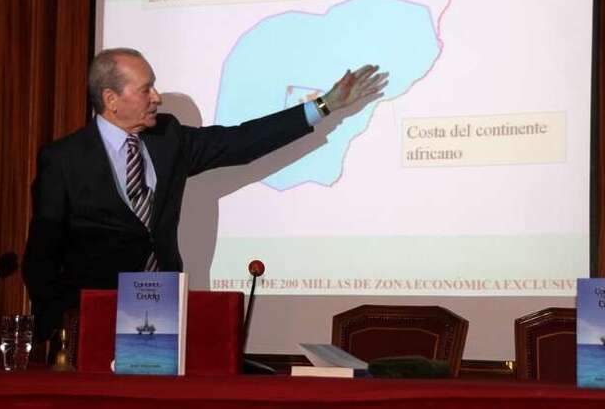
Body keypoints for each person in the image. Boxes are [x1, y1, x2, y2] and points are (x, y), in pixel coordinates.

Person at [22, 48, 387, 341]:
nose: (156, 97)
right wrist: (58, 332)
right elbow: (41, 257)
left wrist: (324, 105)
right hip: (91, 325)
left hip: (163, 316)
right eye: (146, 89)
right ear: (111, 99)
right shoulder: (64, 160)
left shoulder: (167, 139)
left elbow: (241, 141)